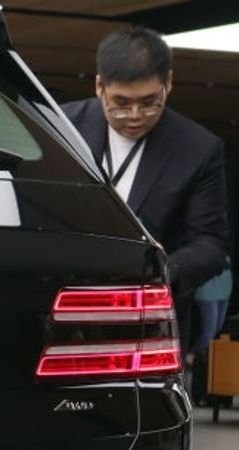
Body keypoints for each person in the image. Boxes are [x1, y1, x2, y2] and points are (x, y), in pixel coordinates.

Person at [62, 26, 230, 342]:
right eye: (121, 103)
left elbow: (211, 244)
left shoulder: (199, 149)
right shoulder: (62, 127)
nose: (135, 115)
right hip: (62, 305)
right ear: (99, 86)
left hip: (149, 320)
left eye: (150, 102)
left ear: (169, 83)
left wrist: (162, 269)